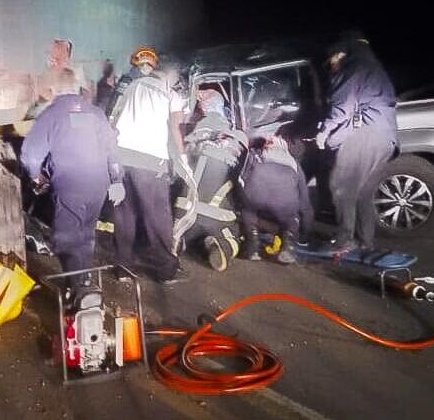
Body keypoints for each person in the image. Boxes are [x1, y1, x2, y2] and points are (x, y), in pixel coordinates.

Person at [20, 68, 125, 276]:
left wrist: (36, 177)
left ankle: (81, 290)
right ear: (78, 89)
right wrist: (117, 180)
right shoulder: (95, 113)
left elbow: (30, 155)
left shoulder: (51, 115)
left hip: (70, 185)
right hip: (99, 184)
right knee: (86, 234)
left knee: (66, 238)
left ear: (54, 89)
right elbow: (112, 148)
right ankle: (83, 278)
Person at [315, 32, 399, 254]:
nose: (330, 66)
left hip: (366, 135)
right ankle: (366, 241)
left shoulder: (353, 68)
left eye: (331, 61)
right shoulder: (372, 66)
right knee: (363, 191)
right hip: (385, 138)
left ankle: (344, 240)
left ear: (341, 53)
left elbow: (342, 107)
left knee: (341, 184)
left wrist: (324, 134)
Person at [111, 46, 189, 284]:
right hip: (150, 161)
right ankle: (165, 270)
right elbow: (175, 129)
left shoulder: (133, 86)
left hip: (122, 157)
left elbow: (114, 118)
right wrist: (183, 157)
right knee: (157, 216)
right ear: (171, 75)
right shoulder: (171, 94)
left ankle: (123, 268)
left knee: (125, 213)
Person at [175, 90, 248, 271]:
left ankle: (178, 240)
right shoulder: (237, 140)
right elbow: (242, 186)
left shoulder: (189, 137)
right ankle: (220, 244)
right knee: (232, 236)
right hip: (218, 216)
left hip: (185, 211)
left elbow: (175, 176)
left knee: (178, 227)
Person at [238, 134, 314, 264]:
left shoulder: (254, 154)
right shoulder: (294, 164)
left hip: (255, 197)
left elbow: (241, 179)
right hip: (284, 205)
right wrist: (305, 233)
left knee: (248, 211)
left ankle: (252, 242)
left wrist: (239, 202)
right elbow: (304, 204)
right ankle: (288, 244)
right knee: (291, 219)